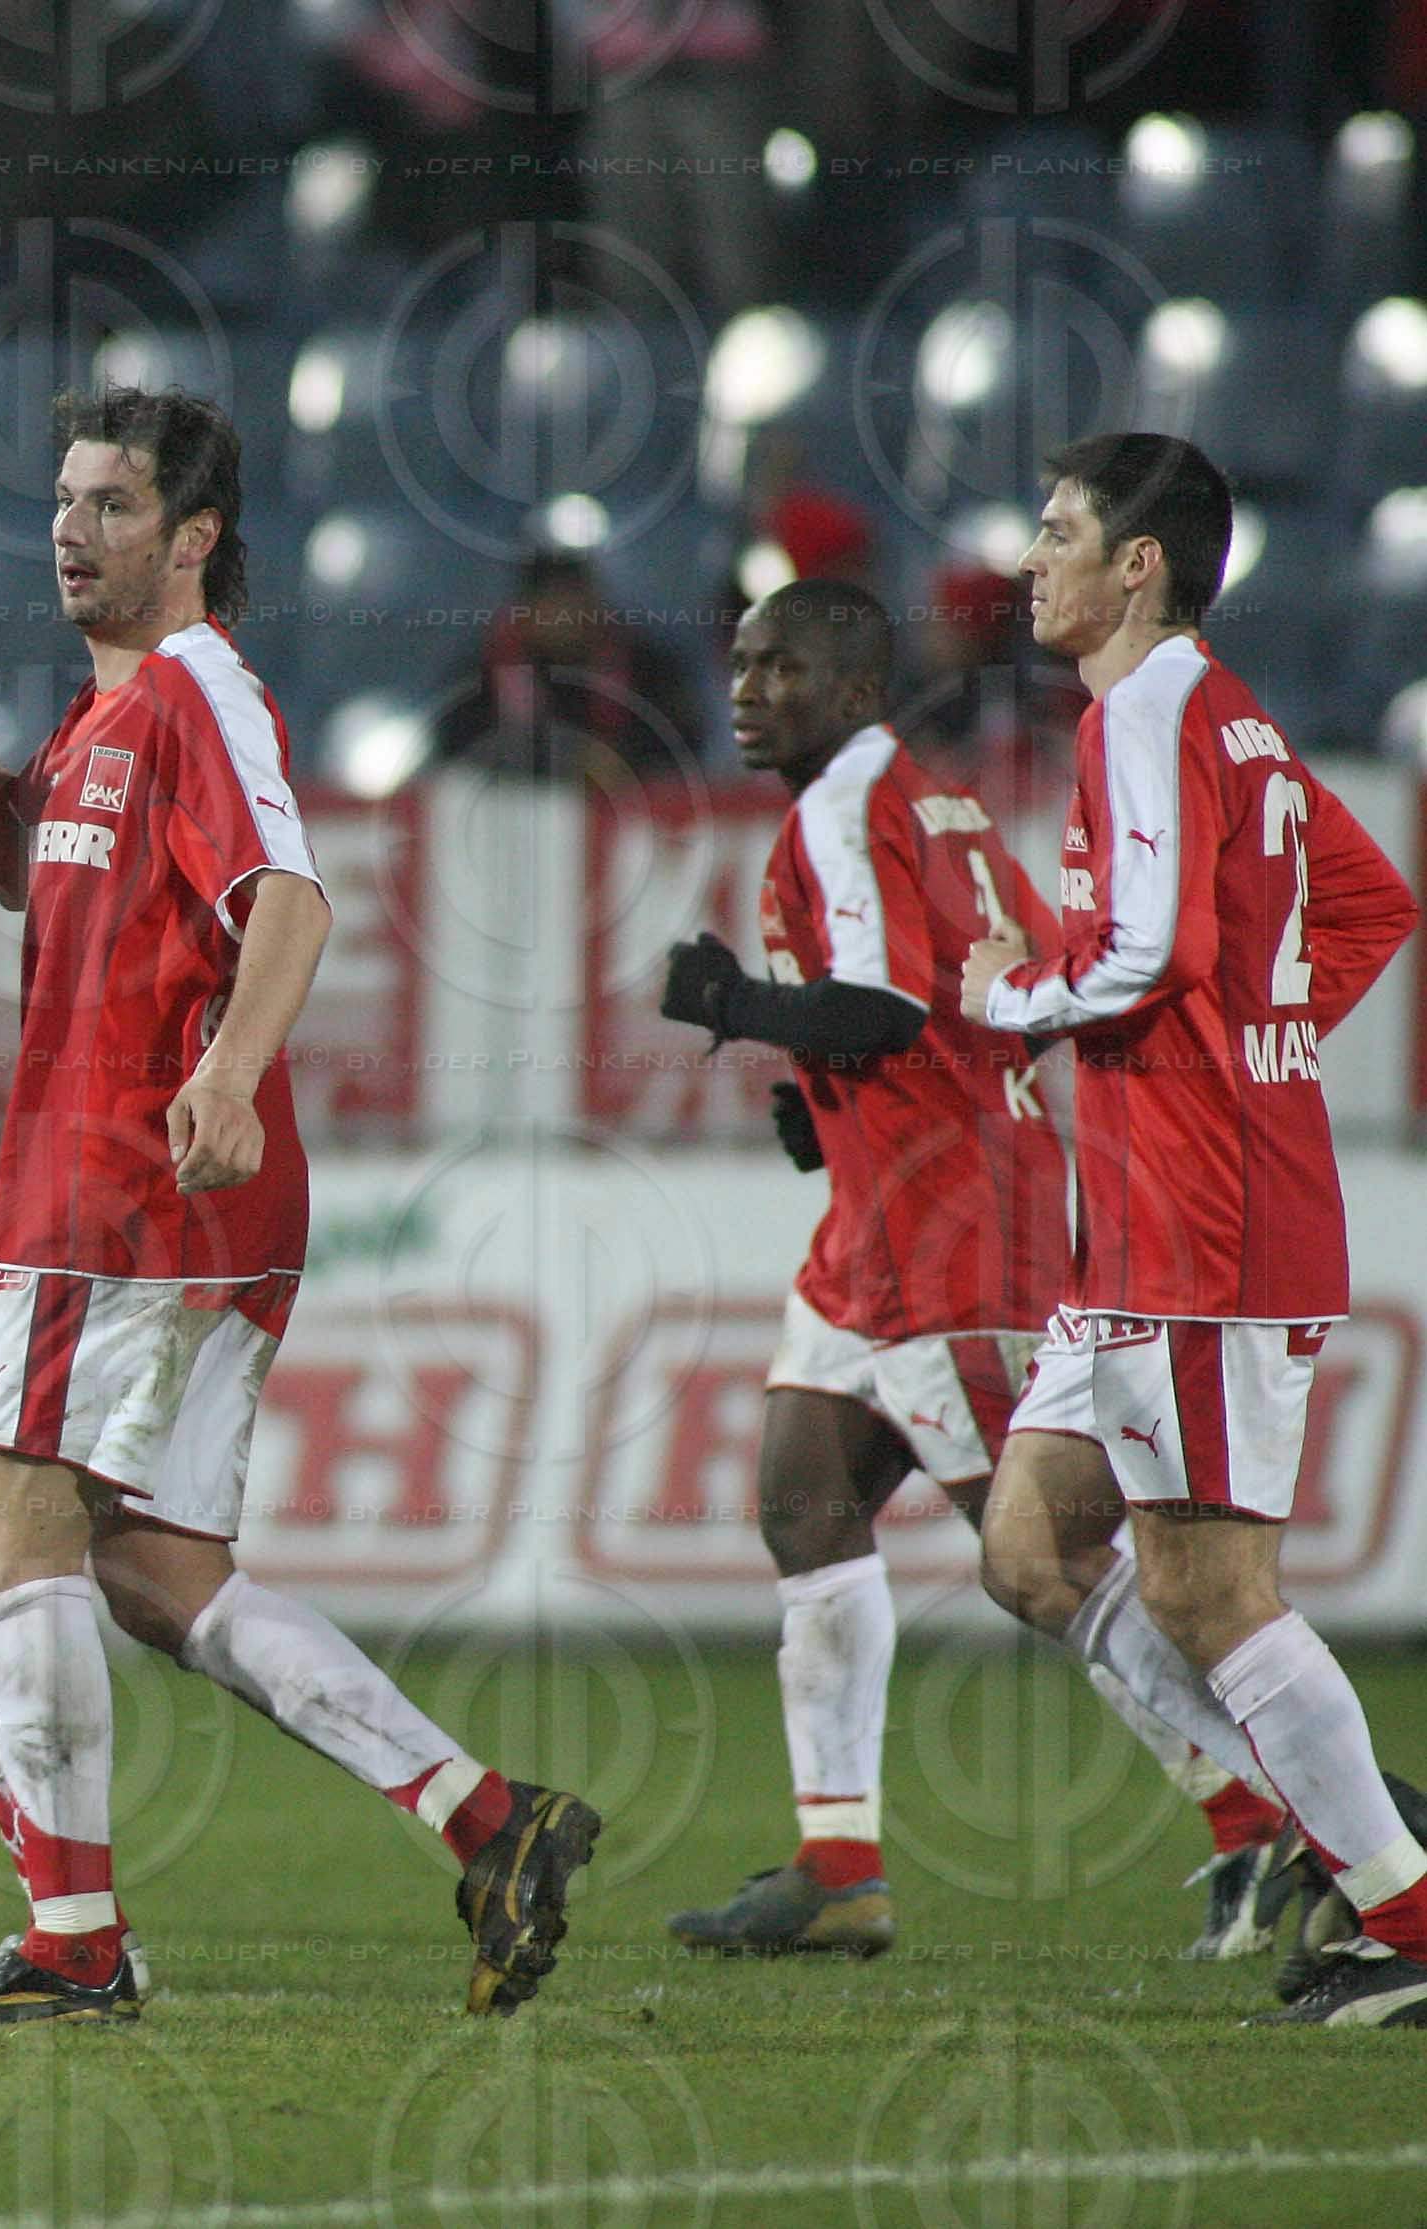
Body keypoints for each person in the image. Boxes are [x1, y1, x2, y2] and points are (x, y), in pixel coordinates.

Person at [0, 386, 600, 2029]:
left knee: (6, 1529)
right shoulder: (109, 722)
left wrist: (231, 1069)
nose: (66, 531)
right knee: (158, 1570)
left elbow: (292, 897)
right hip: (131, 1190)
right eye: (61, 501)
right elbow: (26, 859)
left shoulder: (199, 689)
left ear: (192, 539)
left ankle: (78, 1945)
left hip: (131, 1186)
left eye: (107, 505)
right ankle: (487, 1815)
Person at [655, 579, 1298, 1960]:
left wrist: (733, 1005)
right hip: (885, 1226)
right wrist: (821, 1106)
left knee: (1050, 1559)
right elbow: (1002, 1004)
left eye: (775, 669)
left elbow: (884, 1010)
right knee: (802, 1502)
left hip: (946, 1245)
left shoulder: (841, 809)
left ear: (848, 689)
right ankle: (839, 1869)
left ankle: (1269, 1816)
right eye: (738, 664)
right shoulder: (942, 806)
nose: (743, 690)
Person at [960, 433, 1427, 2028]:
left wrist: (1012, 1003)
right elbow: (1364, 904)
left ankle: (1401, 1904)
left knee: (1211, 1592)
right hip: (1164, 1219)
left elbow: (1148, 946)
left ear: (1137, 563)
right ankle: (1347, 1844)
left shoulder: (1151, 710)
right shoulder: (1223, 718)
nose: (1030, 559)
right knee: (1035, 1545)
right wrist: (1263, 1034)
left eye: (1056, 530)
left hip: (1203, 1218)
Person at [428, 549, 704, 787]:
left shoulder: (644, 664)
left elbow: (682, 741)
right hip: (520, 826)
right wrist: (568, 761)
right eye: (553, 602)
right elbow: (458, 748)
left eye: (575, 599)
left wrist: (626, 761)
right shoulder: (486, 671)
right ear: (526, 610)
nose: (566, 615)